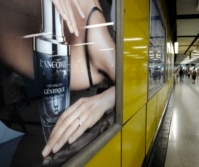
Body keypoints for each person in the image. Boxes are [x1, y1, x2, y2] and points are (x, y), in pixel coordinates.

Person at [0, 0, 116, 161]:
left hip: (64, 137)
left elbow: (134, 81)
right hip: (23, 128)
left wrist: (103, 101)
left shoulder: (92, 29)